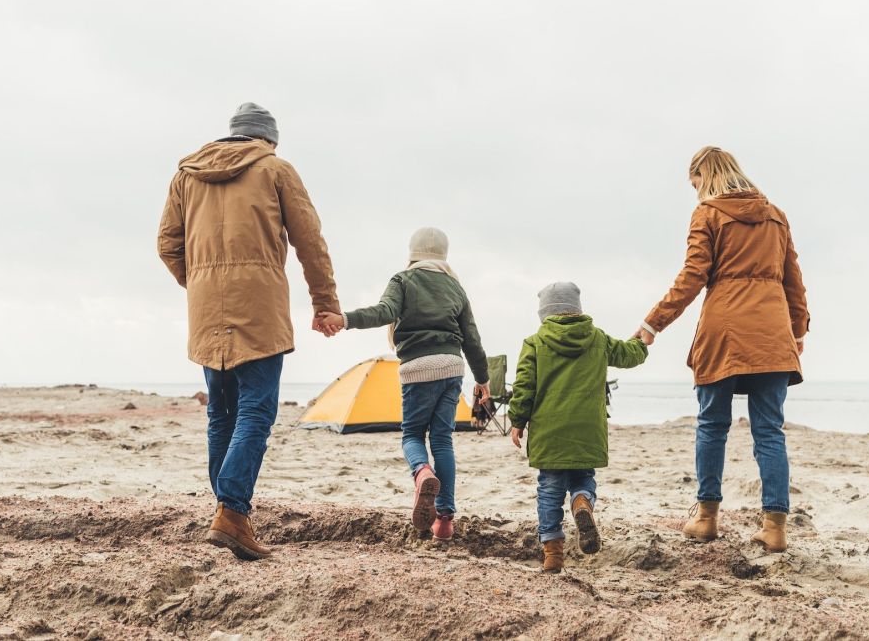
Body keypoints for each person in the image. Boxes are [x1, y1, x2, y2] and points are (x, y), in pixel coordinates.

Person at [157, 102, 340, 560]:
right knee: (256, 411)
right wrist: (325, 304)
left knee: (221, 414)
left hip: (205, 312)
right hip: (259, 309)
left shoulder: (186, 175)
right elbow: (310, 242)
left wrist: (199, 281)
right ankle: (233, 512)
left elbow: (167, 244)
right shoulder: (276, 169)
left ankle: (228, 512)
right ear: (268, 141)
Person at [635, 146, 809, 552]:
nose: (694, 191)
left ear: (703, 175)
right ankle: (775, 527)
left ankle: (707, 518)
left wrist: (652, 323)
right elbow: (793, 280)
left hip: (725, 331)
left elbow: (694, 275)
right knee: (770, 431)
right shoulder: (775, 215)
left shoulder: (707, 214)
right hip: (771, 333)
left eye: (694, 183)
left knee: (712, 425)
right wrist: (797, 329)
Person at [316, 228, 489, 542]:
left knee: (411, 434)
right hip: (451, 367)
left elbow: (384, 313)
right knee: (443, 441)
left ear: (413, 252)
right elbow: (472, 340)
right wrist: (483, 380)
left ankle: (422, 471)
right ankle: (445, 522)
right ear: (443, 254)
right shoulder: (456, 287)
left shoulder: (403, 280)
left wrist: (344, 319)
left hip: (417, 369)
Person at [508, 282, 649, 573]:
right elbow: (628, 355)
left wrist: (517, 421)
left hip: (549, 432)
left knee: (549, 490)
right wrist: (642, 343)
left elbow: (524, 386)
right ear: (577, 309)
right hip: (587, 431)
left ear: (544, 313)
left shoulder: (534, 343)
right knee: (583, 478)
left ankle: (553, 554)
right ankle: (582, 502)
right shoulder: (597, 338)